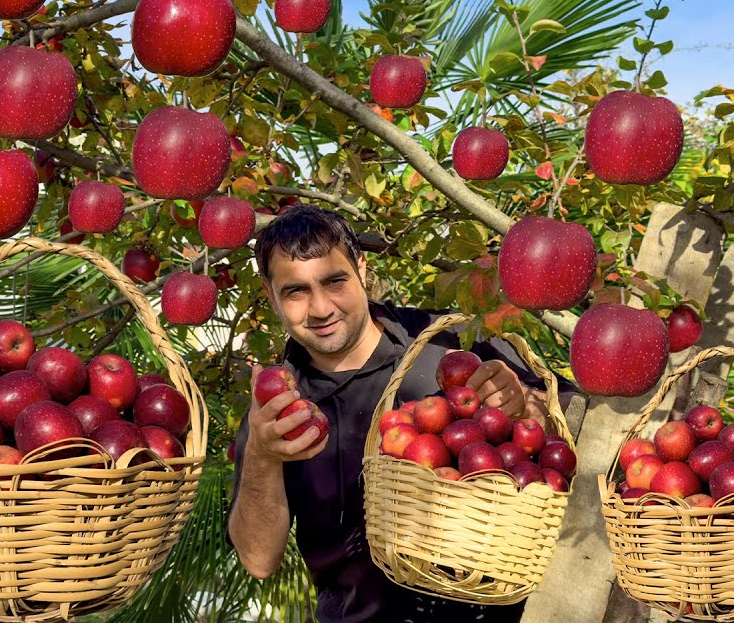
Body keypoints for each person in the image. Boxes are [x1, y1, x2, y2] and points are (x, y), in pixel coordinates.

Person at [227, 204, 569, 623]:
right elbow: (259, 559)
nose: (319, 308)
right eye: (295, 291)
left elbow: (574, 425)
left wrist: (529, 404)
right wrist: (263, 457)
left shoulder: (450, 342)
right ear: (271, 296)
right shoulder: (275, 410)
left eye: (335, 281)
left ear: (362, 271)